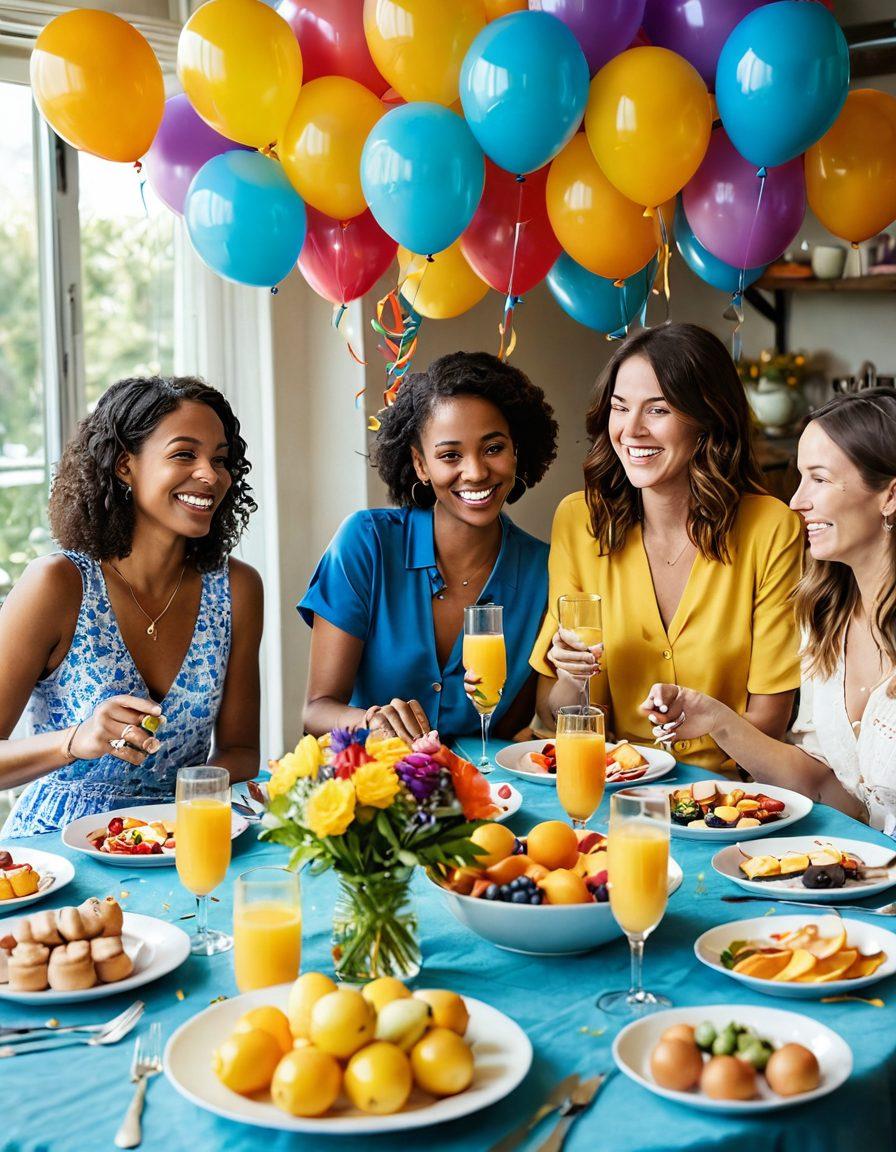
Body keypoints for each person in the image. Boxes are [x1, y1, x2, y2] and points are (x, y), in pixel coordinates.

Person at [530, 323, 803, 776]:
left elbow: (769, 724)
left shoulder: (770, 528)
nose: (631, 430)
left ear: (706, 420)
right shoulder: (580, 521)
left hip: (729, 800)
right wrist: (572, 676)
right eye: (620, 408)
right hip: (611, 786)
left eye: (657, 410)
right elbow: (555, 718)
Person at [0, 376, 263, 837]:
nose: (210, 474)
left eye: (220, 460)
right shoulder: (57, 585)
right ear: (125, 465)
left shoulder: (237, 588)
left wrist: (176, 817)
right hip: (55, 853)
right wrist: (75, 740)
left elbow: (240, 750)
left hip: (177, 842)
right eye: (185, 453)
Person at [641, 387, 896, 827]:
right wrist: (718, 720)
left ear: (889, 496)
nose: (797, 501)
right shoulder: (823, 620)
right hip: (859, 873)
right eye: (800, 478)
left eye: (818, 478)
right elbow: (824, 788)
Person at [299, 351, 558, 745]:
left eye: (493, 448)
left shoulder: (544, 572)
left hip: (484, 794)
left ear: (516, 449)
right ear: (420, 464)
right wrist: (373, 722)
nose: (475, 472)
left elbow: (509, 732)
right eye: (450, 455)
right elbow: (317, 710)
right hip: (375, 788)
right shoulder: (365, 544)